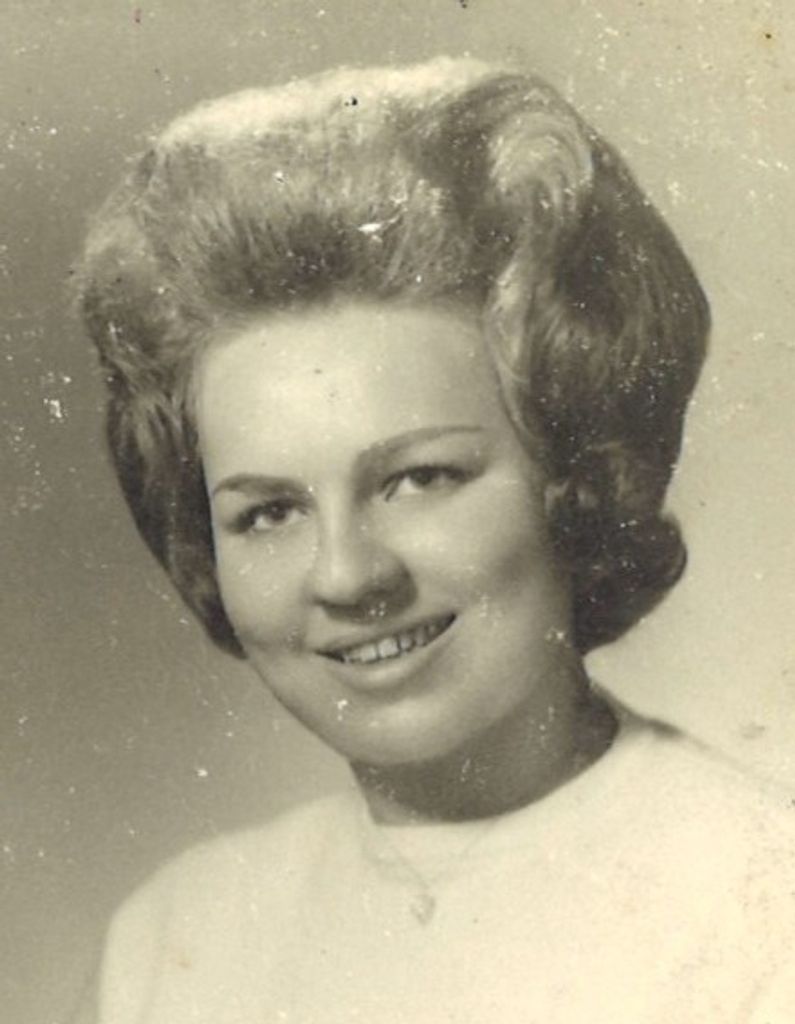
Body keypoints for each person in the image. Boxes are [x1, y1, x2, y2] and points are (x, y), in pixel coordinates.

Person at [72, 57, 794, 1022]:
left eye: (418, 479)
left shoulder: (762, 902)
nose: (347, 574)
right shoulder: (169, 946)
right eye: (269, 512)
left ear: (575, 480)